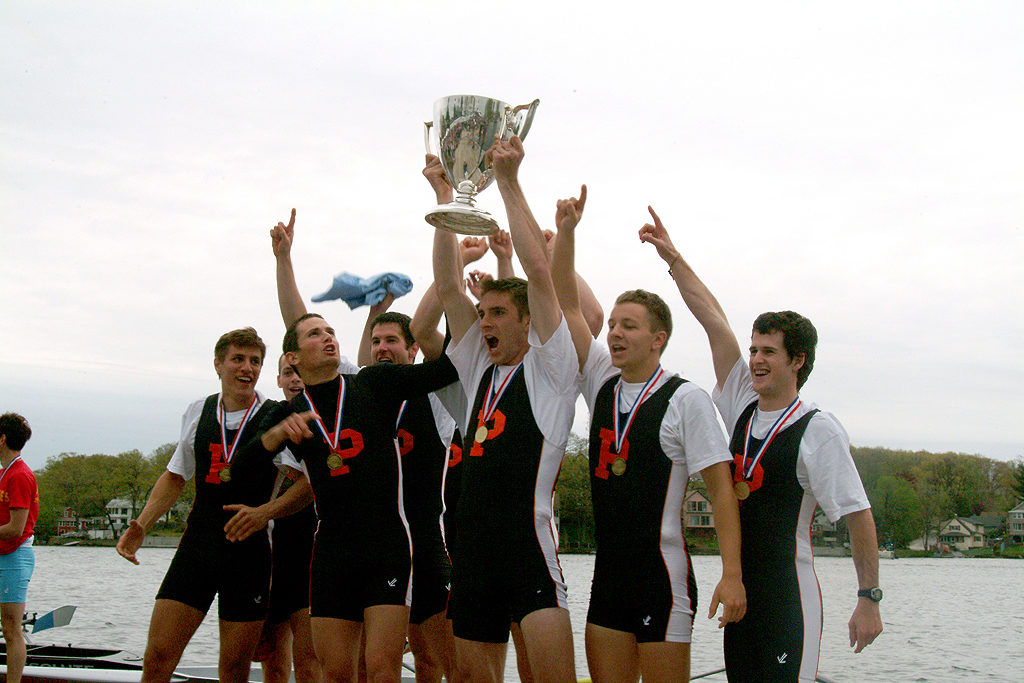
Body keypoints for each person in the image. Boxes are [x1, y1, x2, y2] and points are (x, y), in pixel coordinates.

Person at [637, 207, 883, 681]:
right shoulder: (739, 402)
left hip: (788, 601)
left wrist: (868, 599)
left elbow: (858, 516)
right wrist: (672, 257)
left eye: (768, 351)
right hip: (739, 598)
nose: (755, 360)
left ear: (798, 361)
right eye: (753, 350)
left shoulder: (818, 429)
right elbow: (713, 321)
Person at [549, 189, 746, 681]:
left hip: (663, 579)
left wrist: (733, 574)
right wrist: (567, 235)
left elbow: (722, 493)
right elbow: (567, 306)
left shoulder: (687, 400)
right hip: (608, 579)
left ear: (658, 339)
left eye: (628, 326)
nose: (613, 333)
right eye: (612, 325)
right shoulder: (600, 380)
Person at [235, 311, 458, 683]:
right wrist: (273, 438)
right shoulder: (286, 412)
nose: (328, 338)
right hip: (331, 554)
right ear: (293, 358)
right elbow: (238, 470)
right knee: (336, 673)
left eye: (330, 331)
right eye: (314, 334)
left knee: (382, 669)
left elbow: (446, 370)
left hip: (387, 548)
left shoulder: (371, 383)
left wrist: (453, 295)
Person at [431, 137, 577, 682]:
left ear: (526, 321)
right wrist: (448, 201)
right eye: (482, 313)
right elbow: (448, 286)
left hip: (528, 552)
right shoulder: (476, 370)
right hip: (472, 557)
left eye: (497, 312)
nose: (484, 322)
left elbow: (540, 276)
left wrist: (510, 183)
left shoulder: (551, 372)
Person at [116, 328, 286, 683]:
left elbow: (304, 483)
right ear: (218, 365)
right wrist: (143, 524)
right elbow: (175, 476)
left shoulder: (274, 416)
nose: (247, 368)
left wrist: (265, 513)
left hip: (250, 553)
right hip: (199, 546)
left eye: (255, 361)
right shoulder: (199, 410)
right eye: (238, 359)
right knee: (158, 656)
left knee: (234, 669)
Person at [239, 354, 322, 683]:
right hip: (269, 556)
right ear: (278, 379)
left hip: (309, 552)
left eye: (301, 373)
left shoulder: (324, 425)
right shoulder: (266, 425)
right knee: (272, 658)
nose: (295, 379)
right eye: (288, 373)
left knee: (309, 659)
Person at [0, 413, 38, 683]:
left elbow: (16, 527)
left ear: (2, 439)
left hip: (15, 556)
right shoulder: (4, 473)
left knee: (12, 627)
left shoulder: (19, 475)